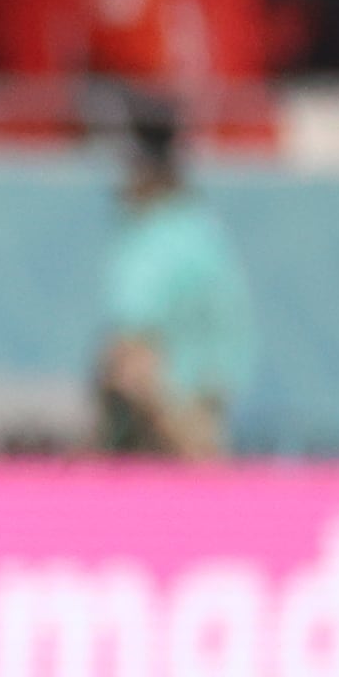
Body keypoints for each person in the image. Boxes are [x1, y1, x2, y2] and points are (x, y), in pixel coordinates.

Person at [93, 103, 253, 457]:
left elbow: (133, 353)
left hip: (169, 420)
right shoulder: (204, 231)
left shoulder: (150, 241)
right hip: (208, 402)